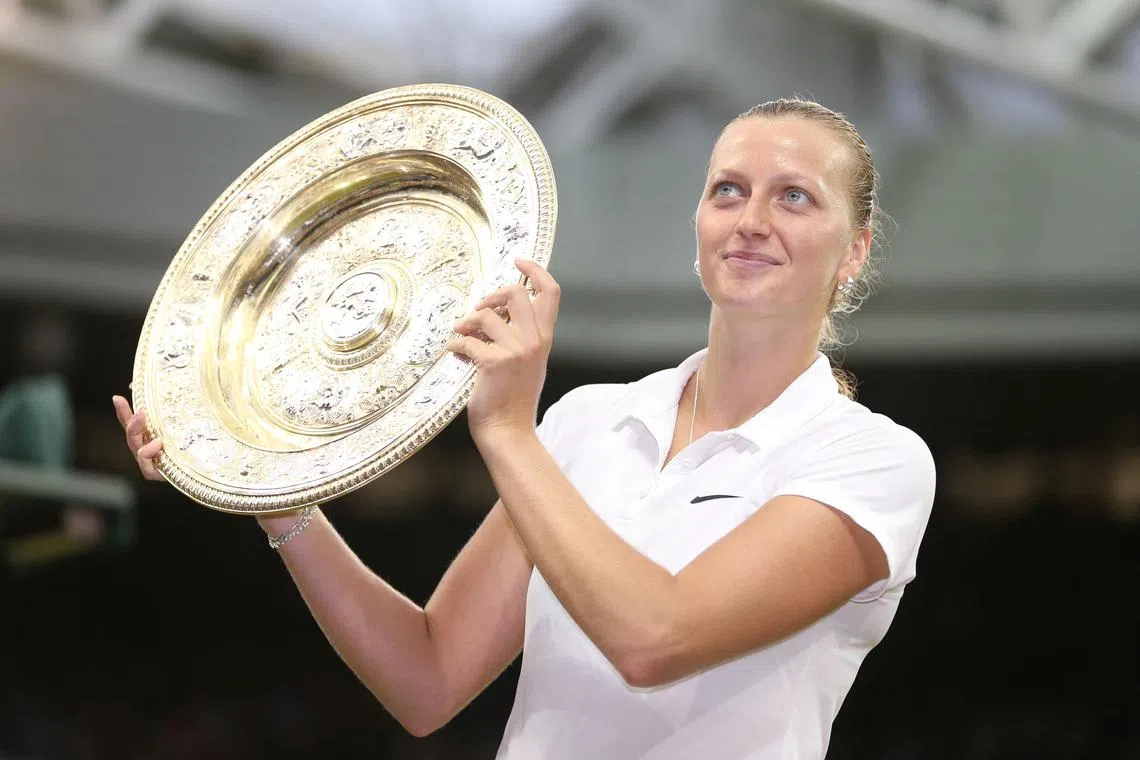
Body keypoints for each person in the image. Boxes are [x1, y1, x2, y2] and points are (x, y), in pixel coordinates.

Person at [113, 97, 936, 758]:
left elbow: (654, 639)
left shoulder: (874, 461)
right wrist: (275, 491)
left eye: (794, 197)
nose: (752, 219)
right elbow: (427, 679)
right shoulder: (589, 422)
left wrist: (507, 428)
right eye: (729, 189)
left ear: (855, 251)